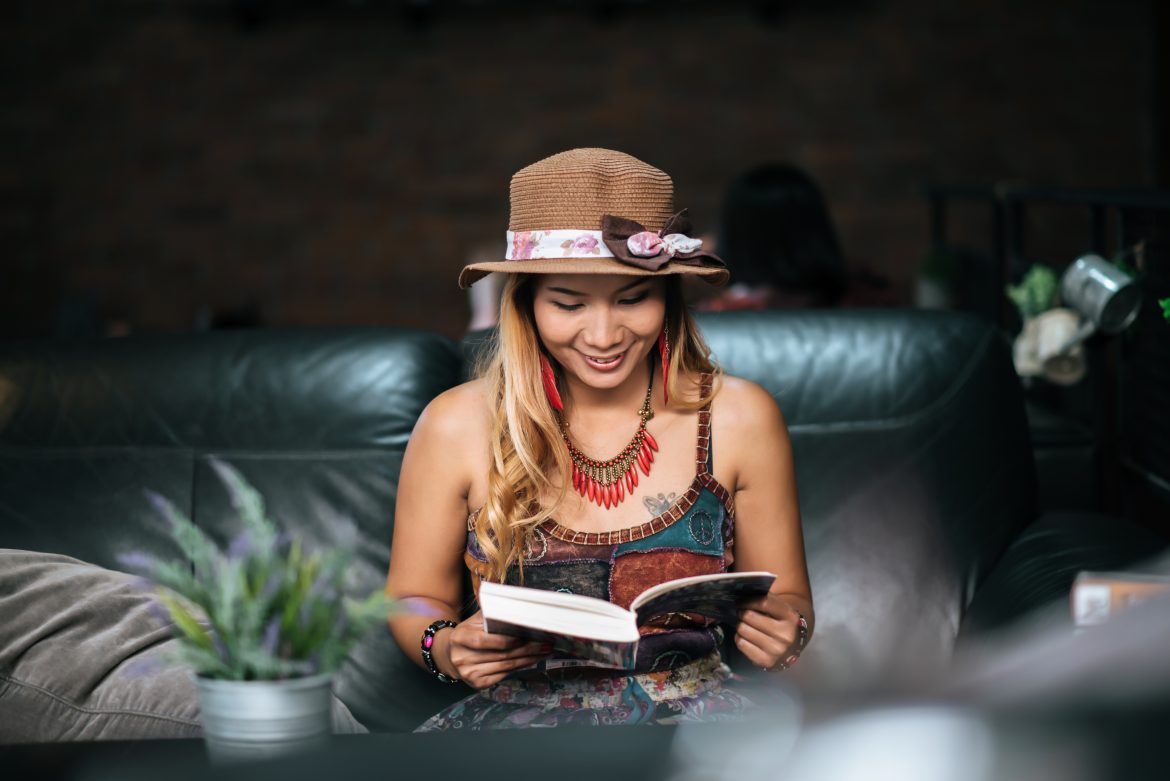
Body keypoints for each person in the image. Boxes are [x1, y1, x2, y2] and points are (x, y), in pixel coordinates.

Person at [385, 148, 813, 729]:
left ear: (668, 298)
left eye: (633, 299)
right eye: (568, 303)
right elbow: (411, 599)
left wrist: (787, 629)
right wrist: (444, 646)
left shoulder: (741, 417)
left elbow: (791, 602)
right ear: (526, 304)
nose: (604, 335)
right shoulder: (455, 424)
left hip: (694, 729)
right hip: (515, 729)